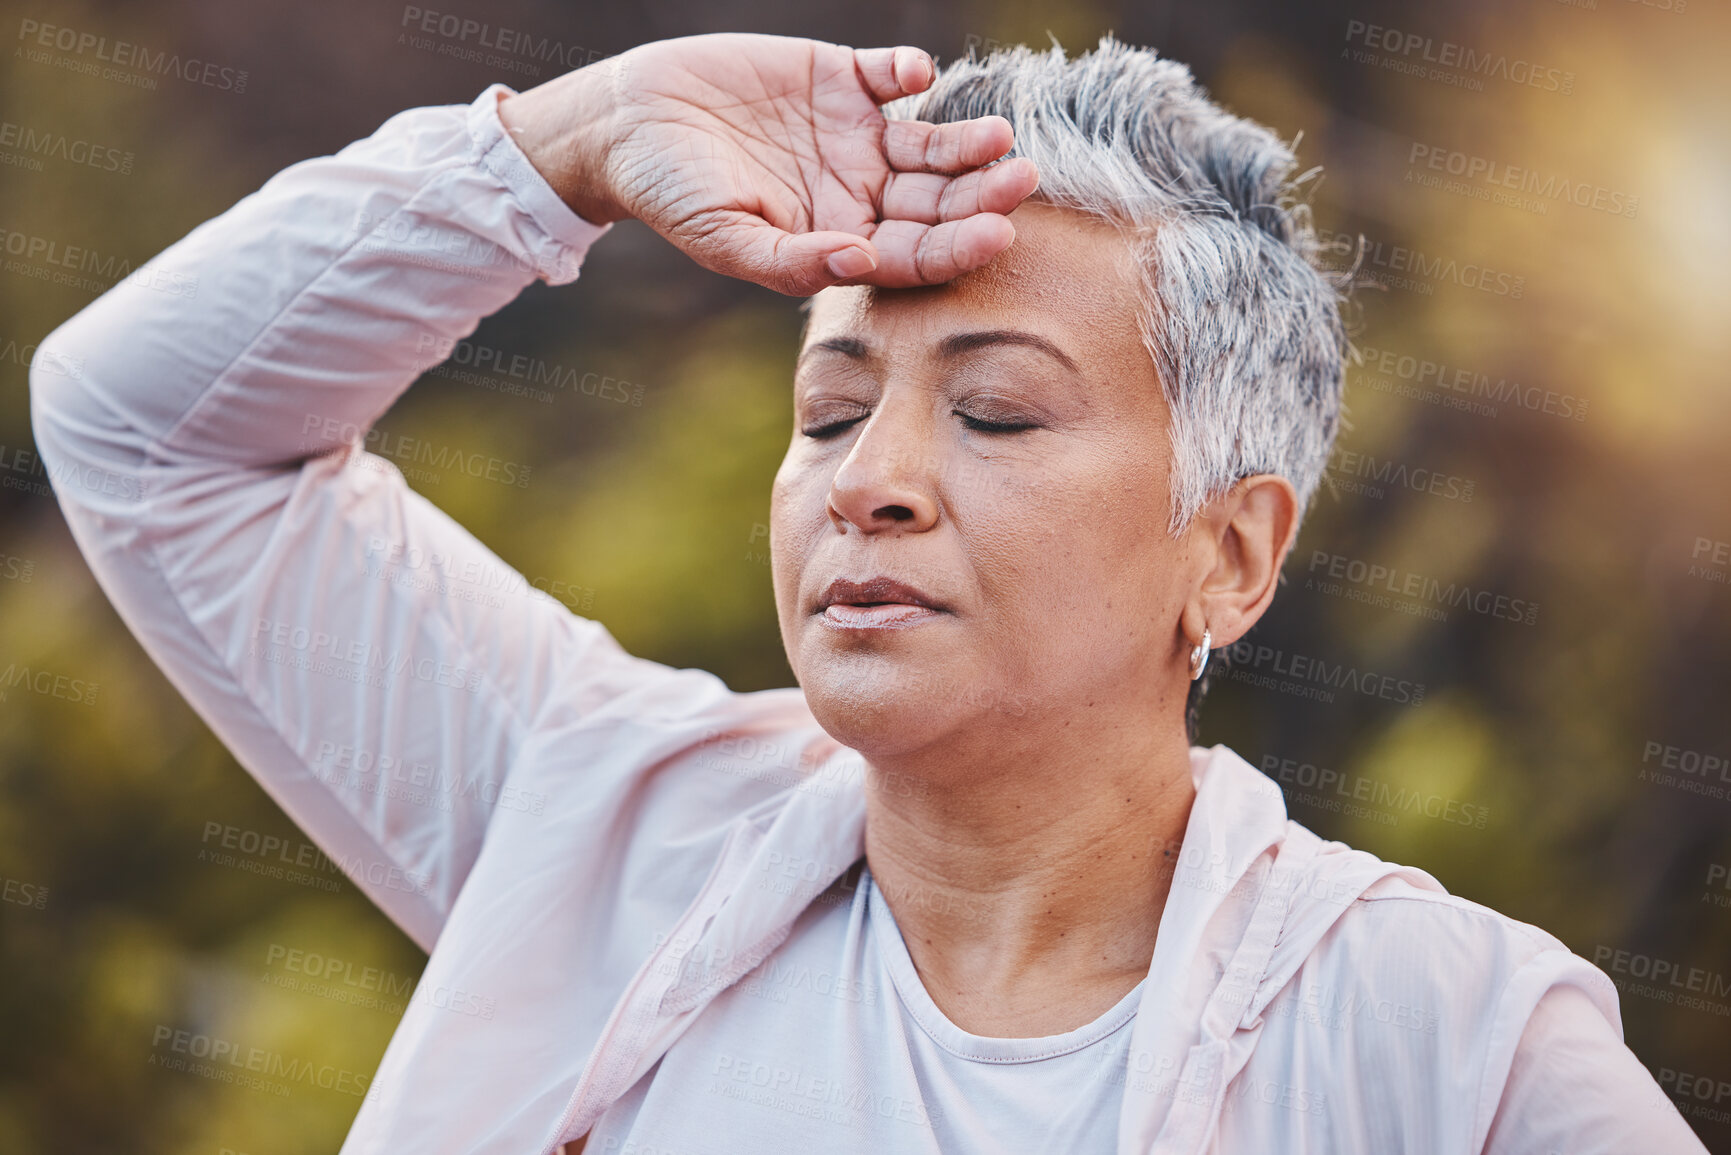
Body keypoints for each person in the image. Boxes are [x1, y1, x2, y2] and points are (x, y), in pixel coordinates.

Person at [29, 30, 1703, 1155]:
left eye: (994, 411)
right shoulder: (603, 819)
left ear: (1237, 552)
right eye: (829, 410)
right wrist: (564, 147)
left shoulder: (1453, 1045)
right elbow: (150, 432)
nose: (867, 477)